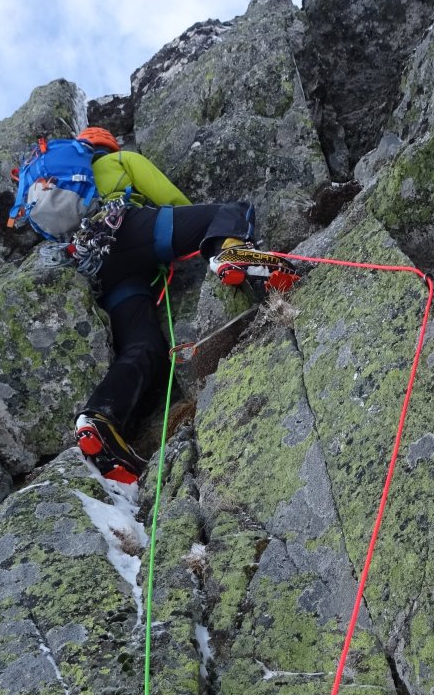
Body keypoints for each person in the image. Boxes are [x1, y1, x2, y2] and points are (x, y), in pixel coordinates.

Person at [63, 127, 298, 483]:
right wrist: (193, 232)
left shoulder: (59, 190)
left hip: (98, 268)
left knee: (144, 348)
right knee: (228, 212)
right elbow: (171, 198)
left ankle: (99, 418)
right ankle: (230, 251)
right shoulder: (119, 160)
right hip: (128, 230)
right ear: (106, 146)